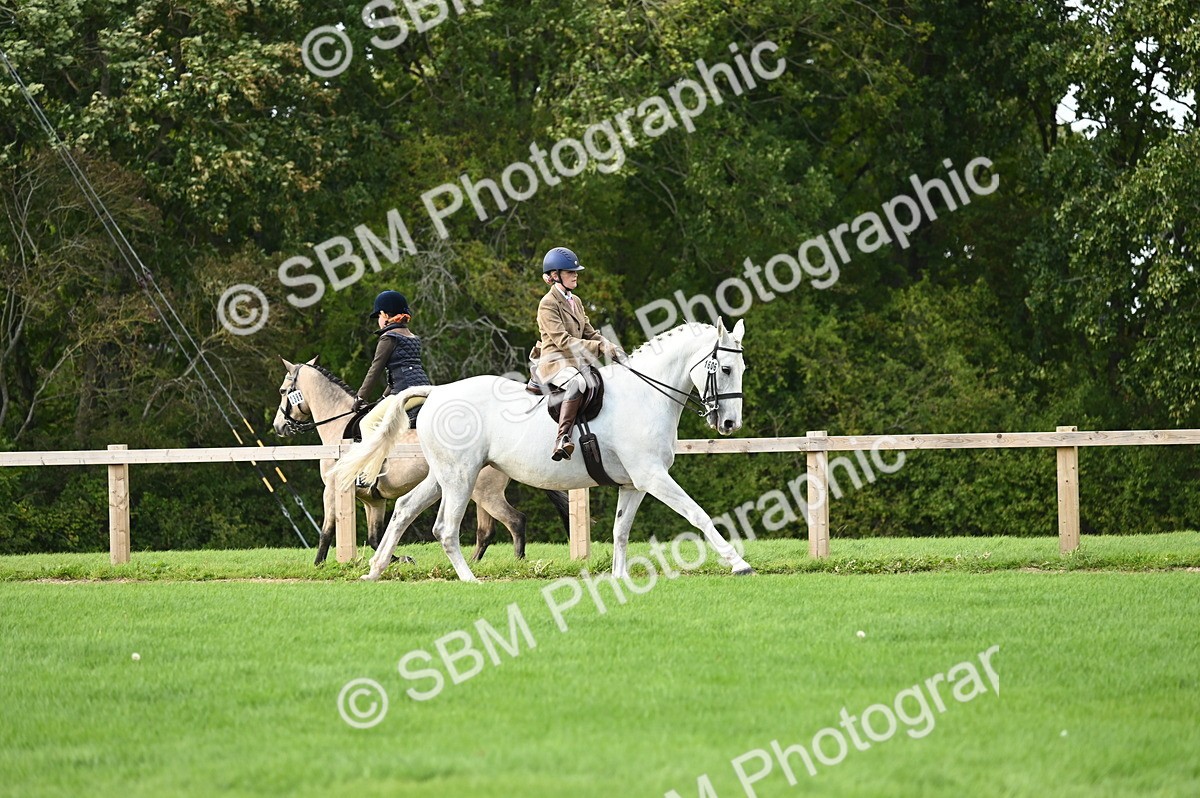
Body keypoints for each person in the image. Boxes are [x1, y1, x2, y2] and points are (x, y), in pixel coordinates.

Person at [534, 246, 626, 461]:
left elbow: (589, 332)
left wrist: (610, 346)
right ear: (555, 276)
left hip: (576, 361)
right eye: (570, 272)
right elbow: (562, 341)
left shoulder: (575, 301)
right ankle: (562, 438)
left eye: (575, 272)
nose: (575, 275)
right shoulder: (547, 304)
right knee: (578, 383)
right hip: (555, 362)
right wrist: (599, 348)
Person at [356, 290, 431, 426]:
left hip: (407, 393)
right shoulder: (412, 337)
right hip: (425, 388)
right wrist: (384, 397)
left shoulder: (389, 338)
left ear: (384, 315)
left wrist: (360, 397)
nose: (378, 320)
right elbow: (399, 373)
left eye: (378, 315)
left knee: (367, 424)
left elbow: (375, 370)